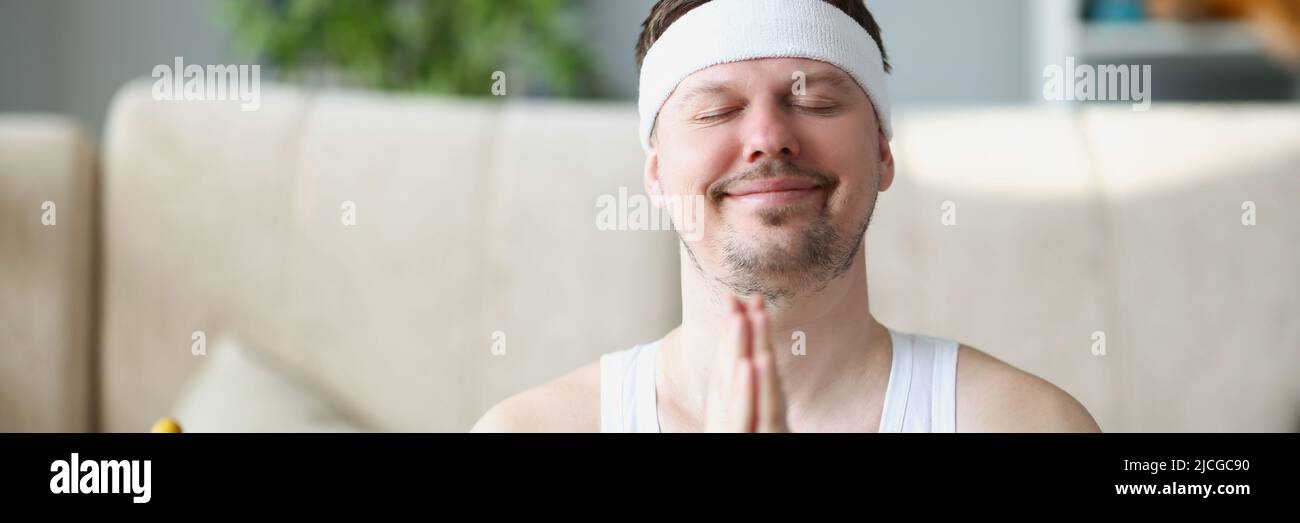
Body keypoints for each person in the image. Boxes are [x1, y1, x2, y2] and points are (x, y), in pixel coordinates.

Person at [472, 0, 1101, 433]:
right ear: (656, 174)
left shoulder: (1027, 423)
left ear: (882, 154)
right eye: (717, 110)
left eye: (817, 101)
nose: (770, 137)